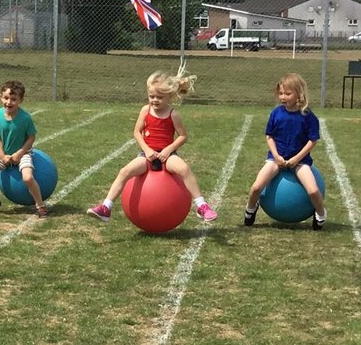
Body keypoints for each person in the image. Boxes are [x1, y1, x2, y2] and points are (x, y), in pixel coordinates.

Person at [87, 66, 218, 223]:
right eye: (151, 96)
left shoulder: (173, 114)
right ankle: (106, 207)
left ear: (169, 97)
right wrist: (147, 150)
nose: (155, 100)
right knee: (124, 171)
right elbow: (137, 132)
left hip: (168, 156)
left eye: (159, 97)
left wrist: (169, 150)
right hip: (146, 155)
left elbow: (183, 136)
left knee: (184, 169)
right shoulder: (145, 110)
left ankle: (201, 206)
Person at [241, 72, 326, 230]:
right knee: (256, 187)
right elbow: (269, 136)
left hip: (300, 162)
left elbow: (312, 140)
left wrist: (296, 159)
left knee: (313, 190)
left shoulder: (308, 116)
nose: (283, 97)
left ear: (299, 94)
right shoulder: (276, 113)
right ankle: (250, 209)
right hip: (276, 159)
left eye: (288, 93)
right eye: (280, 93)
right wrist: (276, 156)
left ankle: (320, 213)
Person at [0, 80, 47, 218]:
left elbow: (31, 137)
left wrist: (19, 153)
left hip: (23, 153)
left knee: (28, 178)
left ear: (20, 100)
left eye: (13, 99)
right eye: (6, 98)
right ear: (1, 97)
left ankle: (40, 205)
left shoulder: (25, 118)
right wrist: (2, 155)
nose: (9, 102)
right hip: (3, 152)